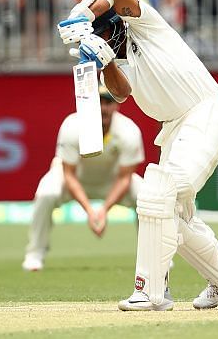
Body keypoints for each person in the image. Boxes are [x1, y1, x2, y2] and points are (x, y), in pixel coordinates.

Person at [56, 0, 218, 311]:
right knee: (172, 211)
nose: (101, 41)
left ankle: (149, 291)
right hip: (175, 127)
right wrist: (102, 62)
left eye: (100, 34)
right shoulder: (113, 64)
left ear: (111, 27)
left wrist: (83, 14)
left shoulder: (145, 26)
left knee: (156, 194)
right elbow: (120, 93)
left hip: (205, 111)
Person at [22, 86, 145, 271]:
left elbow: (124, 178)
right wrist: (89, 211)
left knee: (146, 197)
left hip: (111, 181)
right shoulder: (73, 126)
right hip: (73, 178)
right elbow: (68, 174)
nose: (103, 108)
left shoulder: (129, 131)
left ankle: (152, 257)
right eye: (99, 103)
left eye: (108, 102)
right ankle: (35, 253)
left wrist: (103, 210)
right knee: (46, 193)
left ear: (116, 106)